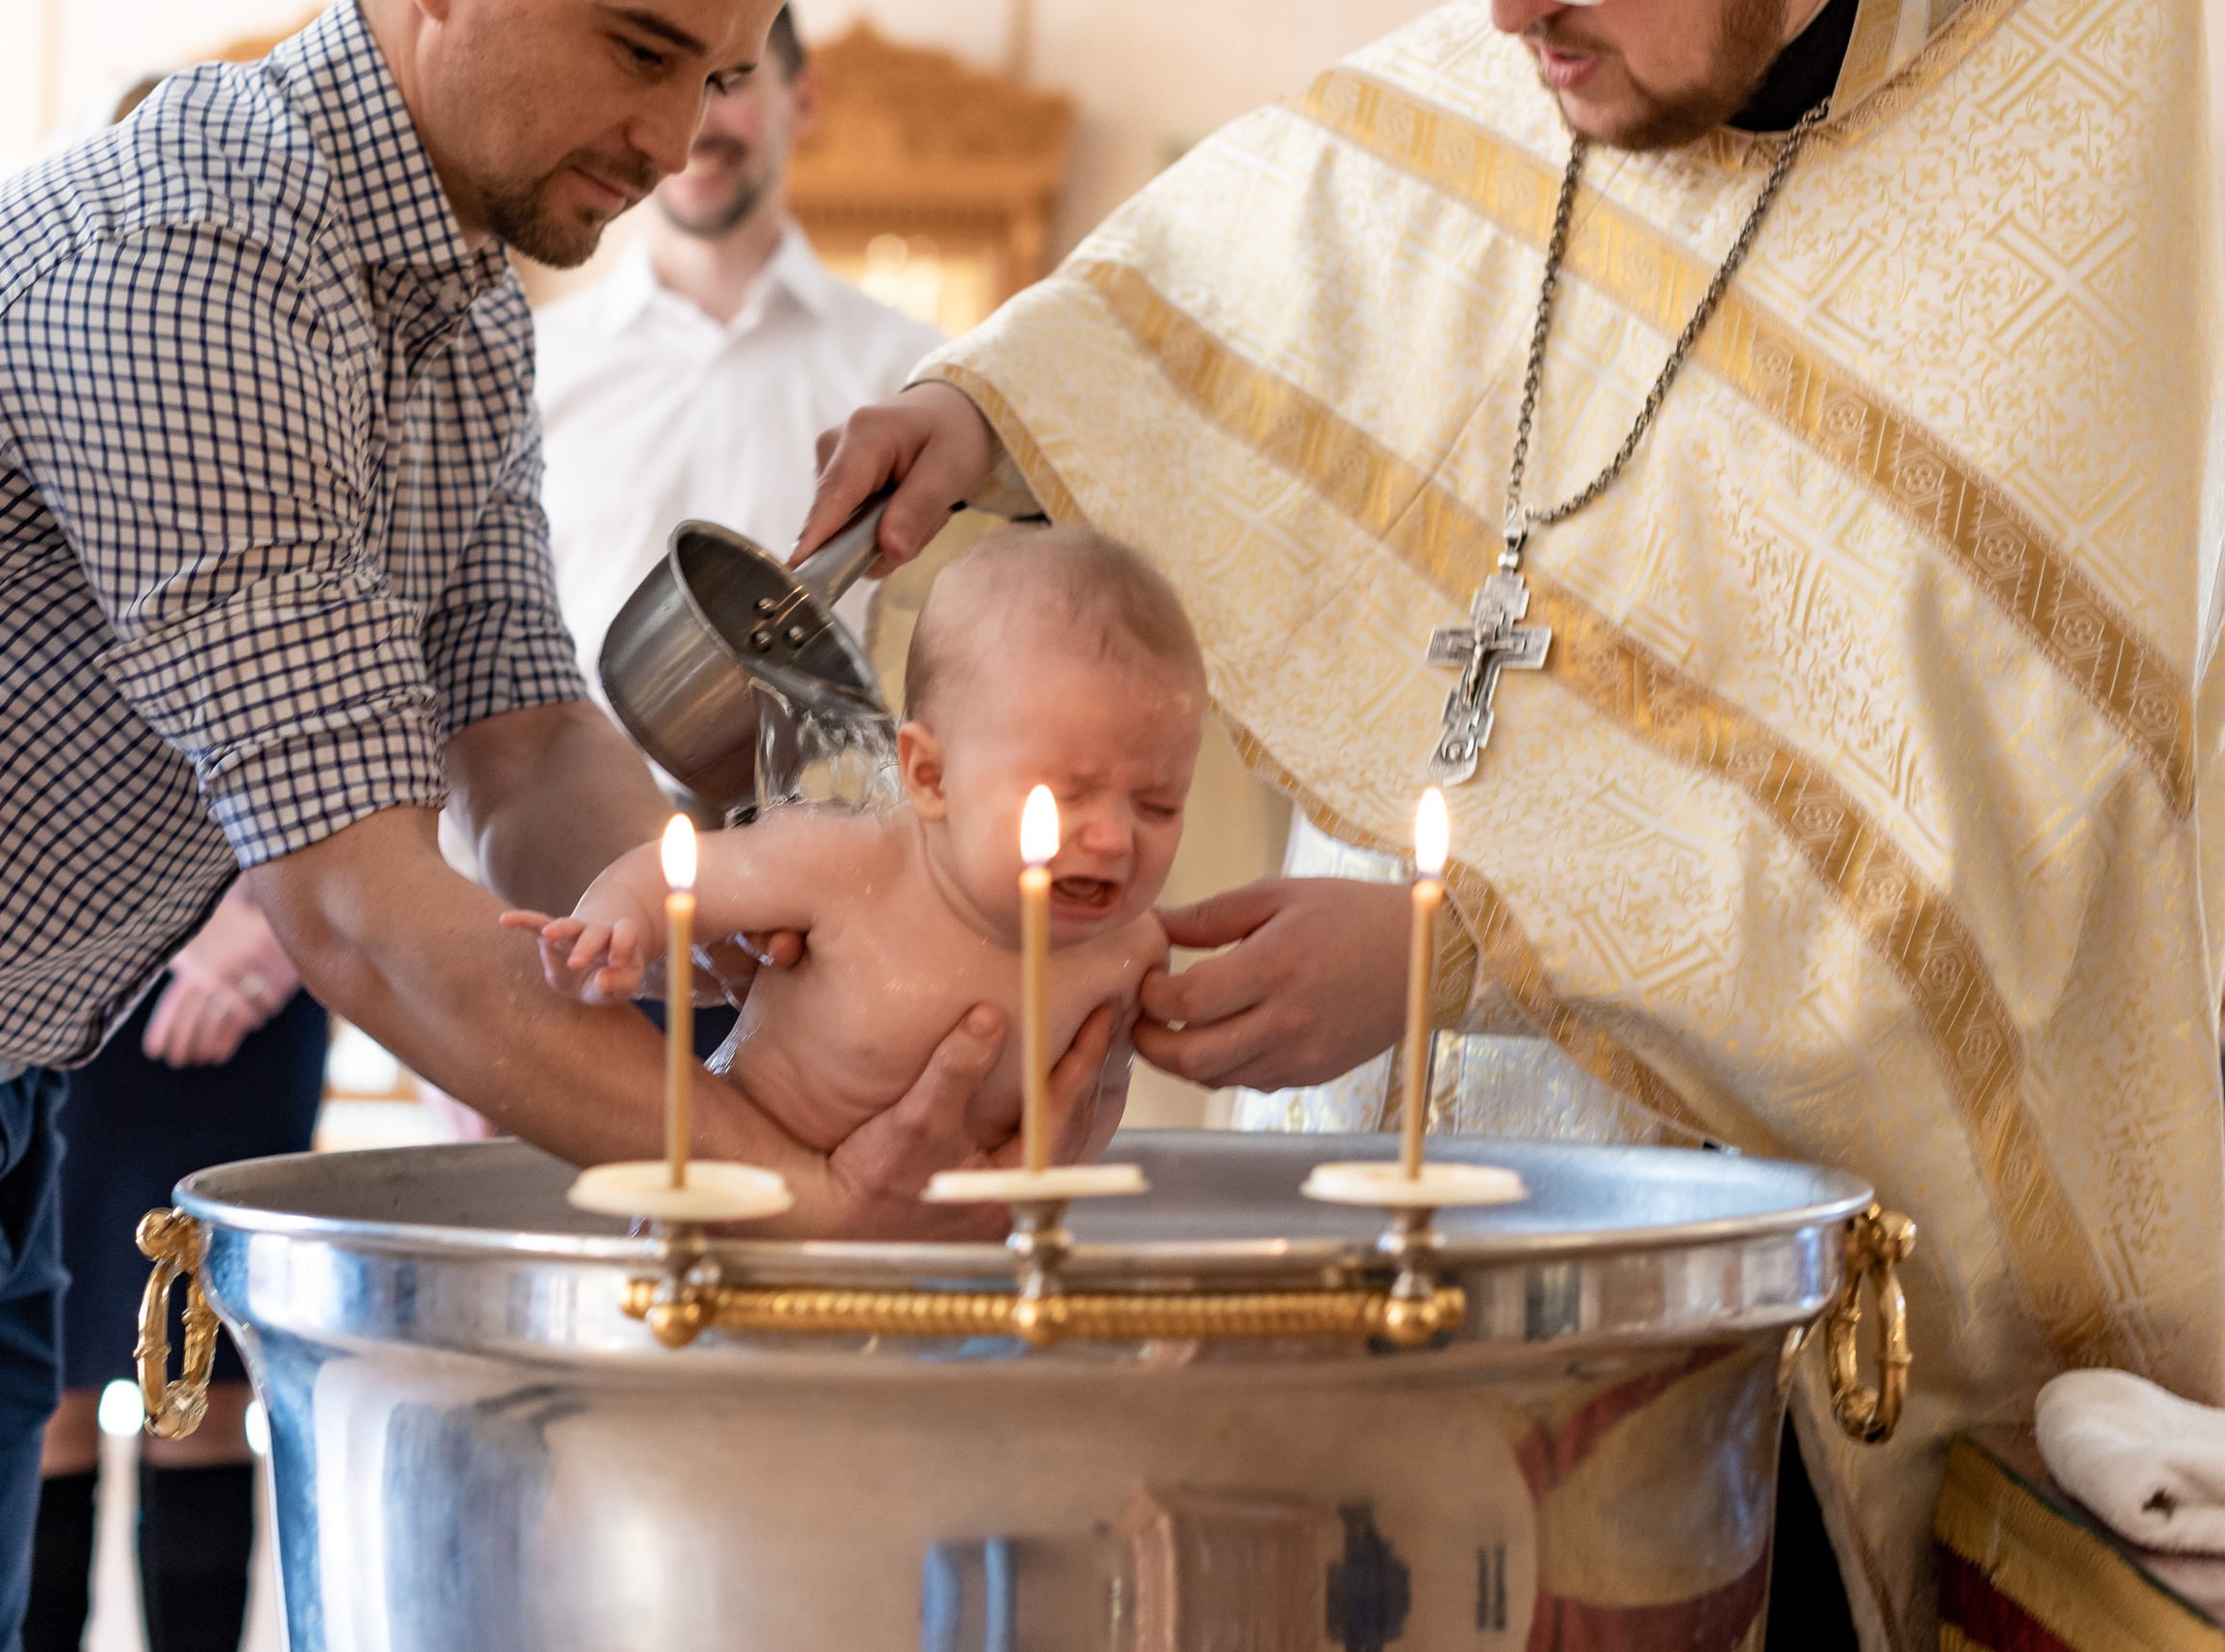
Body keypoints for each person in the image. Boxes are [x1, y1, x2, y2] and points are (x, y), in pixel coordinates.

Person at [793, 0, 2225, 1642]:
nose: (1510, 13)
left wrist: (1464, 940)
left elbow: (2011, 852)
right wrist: (984, 407)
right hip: (1347, 1261)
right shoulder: (1566, 54)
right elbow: (1267, 240)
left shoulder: (2092, 132)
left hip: (1750, 1359)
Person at [0, 2, 1116, 1648]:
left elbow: (528, 748)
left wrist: (800, 951)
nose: (676, 137)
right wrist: (811, 1203)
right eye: (636, 48)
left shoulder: (455, 301)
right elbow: (361, 906)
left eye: (719, 77)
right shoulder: (194, 262)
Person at [510, 525, 1197, 1152]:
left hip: (955, 1258)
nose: (1113, 839)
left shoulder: (1130, 958)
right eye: (1066, 796)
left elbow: (1088, 1112)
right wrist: (614, 924)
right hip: (745, 1223)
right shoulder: (847, 863)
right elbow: (672, 876)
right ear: (929, 776)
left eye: (1159, 805)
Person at [531, 3, 941, 698]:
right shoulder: (529, 364)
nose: (692, 122)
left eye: (727, 80)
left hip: (832, 802)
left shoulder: (913, 376)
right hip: (569, 800)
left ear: (804, 97)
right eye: (656, 71)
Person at [24, 882, 325, 1652]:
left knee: (204, 1373)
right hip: (64, 957)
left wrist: (275, 941)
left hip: (265, 941)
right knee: (41, 1377)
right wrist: (168, 916)